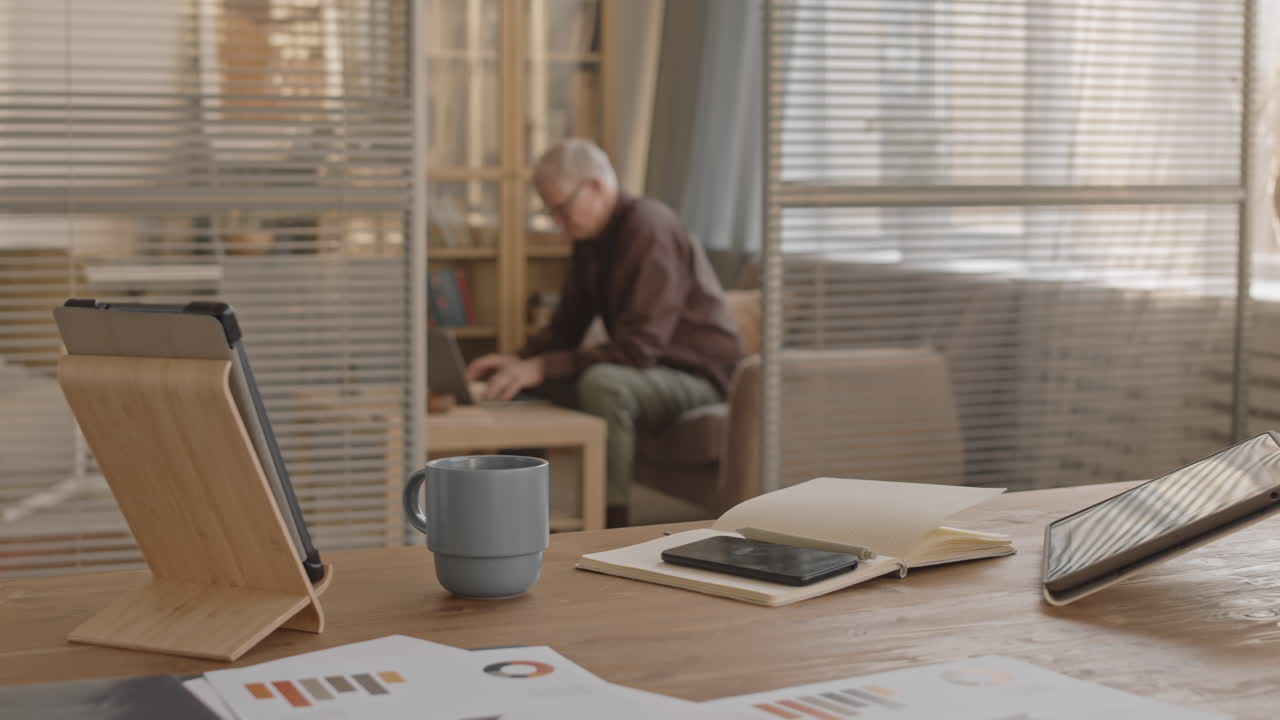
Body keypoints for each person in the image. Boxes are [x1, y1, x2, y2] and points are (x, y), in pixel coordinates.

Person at [466, 138, 744, 528]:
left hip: (700, 377)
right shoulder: (590, 239)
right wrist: (520, 360)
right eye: (551, 213)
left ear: (595, 187)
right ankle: (513, 511)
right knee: (520, 381)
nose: (559, 223)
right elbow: (567, 326)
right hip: (648, 368)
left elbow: (638, 349)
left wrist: (543, 367)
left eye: (561, 209)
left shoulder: (650, 227)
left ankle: (608, 524)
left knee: (605, 384)